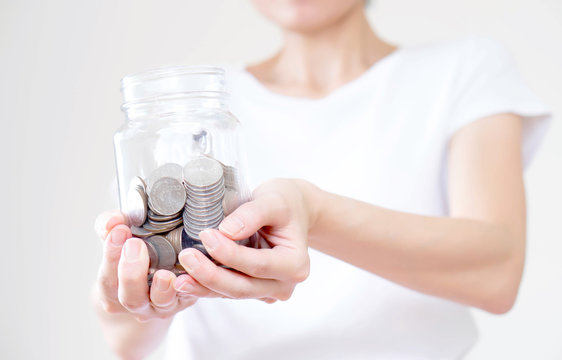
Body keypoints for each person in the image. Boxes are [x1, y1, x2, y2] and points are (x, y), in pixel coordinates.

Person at [93, 0, 551, 358]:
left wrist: (315, 212)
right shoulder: (187, 108)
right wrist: (128, 296)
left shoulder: (465, 69)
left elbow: (496, 272)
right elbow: (126, 341)